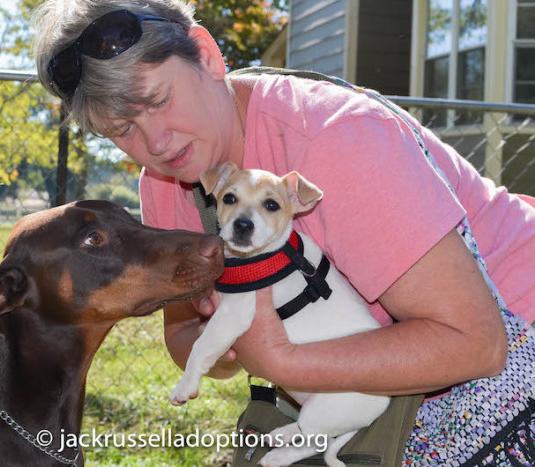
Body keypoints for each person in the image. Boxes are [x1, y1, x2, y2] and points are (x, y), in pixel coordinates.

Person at [33, 0, 535, 464]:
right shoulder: (170, 185)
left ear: (207, 57)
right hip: (374, 395)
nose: (157, 143)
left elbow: (476, 346)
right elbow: (184, 334)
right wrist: (224, 339)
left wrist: (283, 361)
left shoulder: (335, 140)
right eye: (122, 131)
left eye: (159, 100)